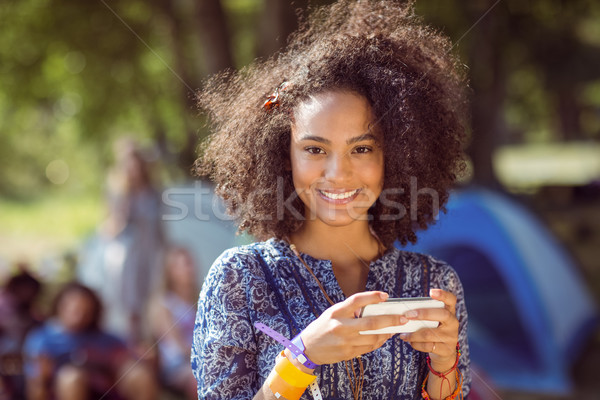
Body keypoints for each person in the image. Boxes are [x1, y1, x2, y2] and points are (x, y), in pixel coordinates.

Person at [191, 1, 470, 399]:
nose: (338, 173)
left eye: (361, 149)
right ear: (281, 155)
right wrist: (300, 360)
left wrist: (444, 367)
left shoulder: (436, 284)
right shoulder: (239, 279)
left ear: (398, 155)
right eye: (315, 149)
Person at [79, 139, 164, 344]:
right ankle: (127, 342)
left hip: (150, 252)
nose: (133, 168)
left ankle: (145, 343)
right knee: (128, 302)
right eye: (127, 163)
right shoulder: (117, 191)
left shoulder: (154, 192)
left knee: (150, 298)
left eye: (136, 162)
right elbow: (110, 225)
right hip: (127, 255)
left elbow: (161, 228)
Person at [23, 283, 157, 400]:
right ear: (60, 307)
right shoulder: (41, 339)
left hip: (108, 389)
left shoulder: (104, 337)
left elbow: (131, 354)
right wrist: (42, 380)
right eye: (76, 310)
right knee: (71, 377)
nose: (80, 316)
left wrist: (141, 356)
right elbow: (35, 389)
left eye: (86, 311)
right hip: (64, 390)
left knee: (138, 373)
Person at [147, 247, 198, 399]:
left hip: (200, 358)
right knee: (199, 377)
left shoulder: (201, 297)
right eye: (179, 265)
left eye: (188, 263)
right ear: (169, 271)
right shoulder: (163, 304)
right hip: (175, 365)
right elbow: (178, 346)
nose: (187, 269)